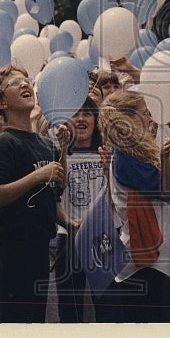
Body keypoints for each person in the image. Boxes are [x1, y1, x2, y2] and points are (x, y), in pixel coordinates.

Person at [0, 64, 68, 323]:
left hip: (40, 250)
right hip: (14, 251)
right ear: (1, 102)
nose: (25, 84)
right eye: (15, 83)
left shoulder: (45, 144)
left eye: (26, 80)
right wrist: (37, 176)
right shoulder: (4, 143)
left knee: (35, 330)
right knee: (16, 333)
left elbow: (53, 195)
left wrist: (63, 150)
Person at [98, 90, 170, 322]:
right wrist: (164, 160)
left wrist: (167, 160)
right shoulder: (128, 157)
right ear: (129, 119)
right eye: (146, 113)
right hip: (145, 262)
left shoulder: (132, 154)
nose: (150, 119)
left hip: (154, 260)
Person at [54, 97, 105, 322]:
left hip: (103, 237)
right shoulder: (60, 153)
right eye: (75, 113)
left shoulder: (106, 152)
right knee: (70, 308)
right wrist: (62, 149)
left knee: (106, 305)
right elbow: (57, 186)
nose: (81, 118)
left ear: (96, 120)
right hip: (70, 237)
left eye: (87, 113)